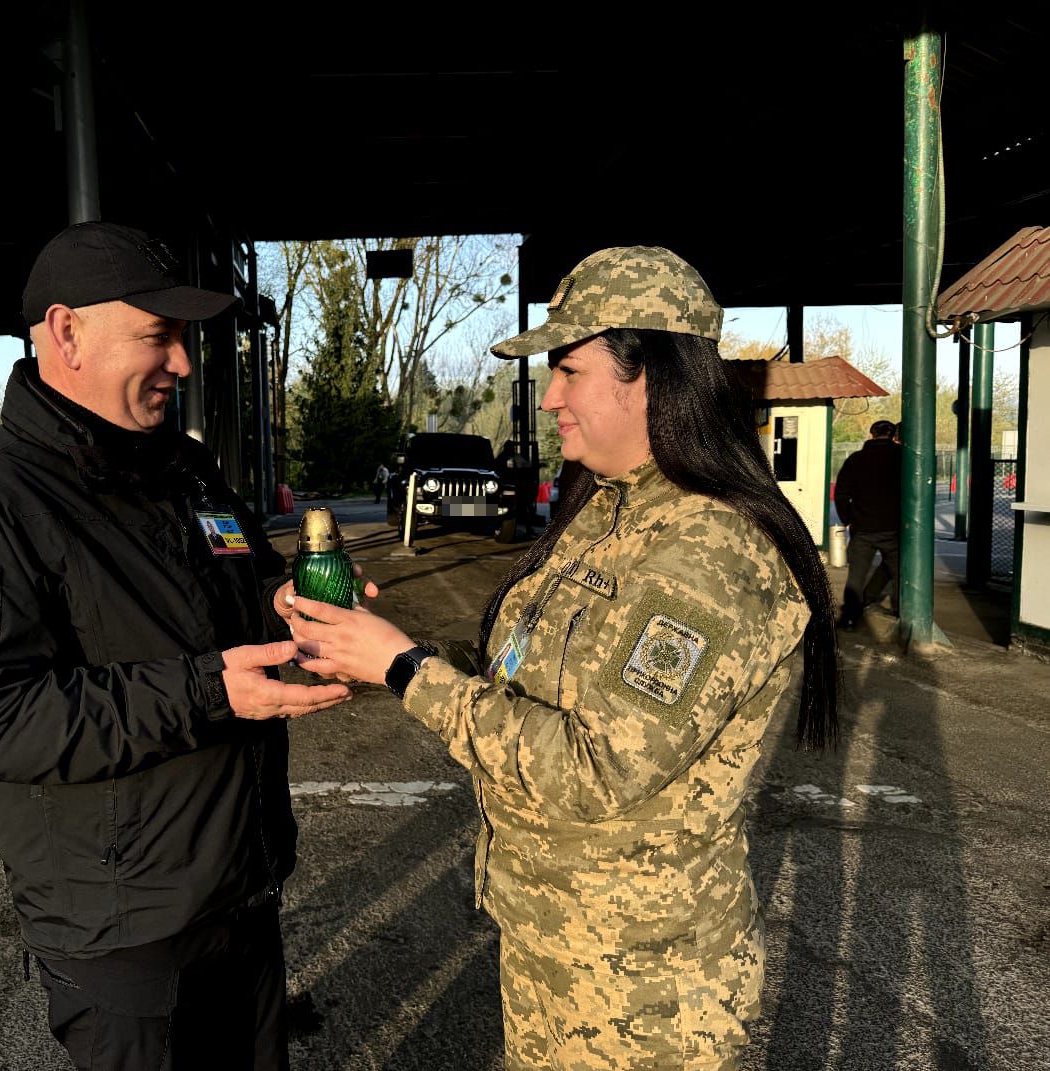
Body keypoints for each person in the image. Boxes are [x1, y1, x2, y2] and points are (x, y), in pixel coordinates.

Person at [289, 246, 839, 1070]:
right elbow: (518, 669)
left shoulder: (709, 551)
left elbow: (596, 767)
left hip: (644, 1001)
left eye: (570, 370)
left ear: (651, 376)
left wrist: (408, 671)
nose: (550, 397)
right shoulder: (608, 509)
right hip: (558, 955)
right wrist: (374, 649)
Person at [0, 221, 359, 1071]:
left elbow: (247, 575)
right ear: (66, 332)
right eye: (158, 335)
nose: (183, 362)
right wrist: (208, 691)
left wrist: (289, 602)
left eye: (183, 337)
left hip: (239, 888)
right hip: (124, 930)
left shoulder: (184, 470)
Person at [833, 419, 902, 628]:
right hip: (893, 527)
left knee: (856, 575)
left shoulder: (856, 459)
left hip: (862, 528)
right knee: (899, 573)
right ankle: (902, 614)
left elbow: (841, 493)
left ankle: (850, 617)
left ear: (871, 435)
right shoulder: (902, 458)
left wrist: (848, 519)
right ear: (893, 436)